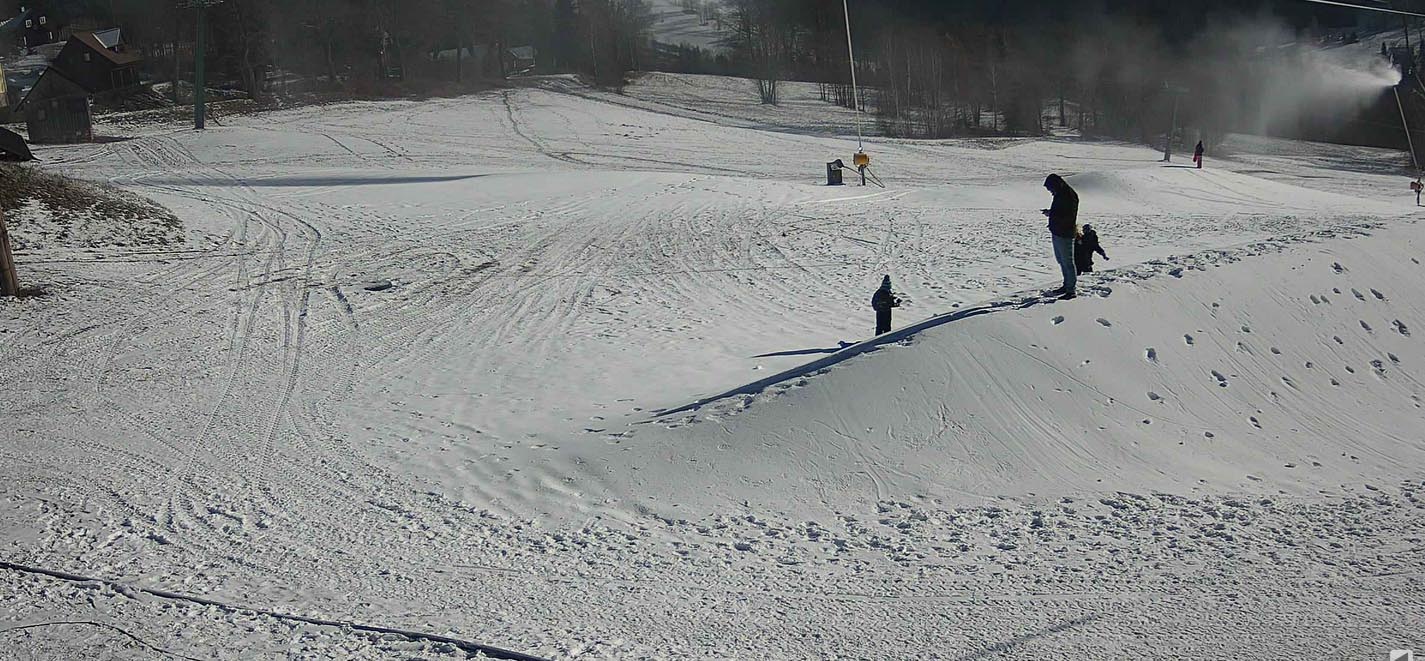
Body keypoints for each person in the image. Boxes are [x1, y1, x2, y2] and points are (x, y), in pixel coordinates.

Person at [1042, 174, 1079, 299]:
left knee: (1068, 262)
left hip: (1065, 233)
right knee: (1062, 261)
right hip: (1058, 232)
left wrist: (1053, 216)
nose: (1050, 192)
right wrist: (1051, 213)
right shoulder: (1061, 194)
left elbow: (1068, 216)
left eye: (1050, 188)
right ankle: (1066, 285)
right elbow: (1060, 212)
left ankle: (1071, 290)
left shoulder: (1069, 196)